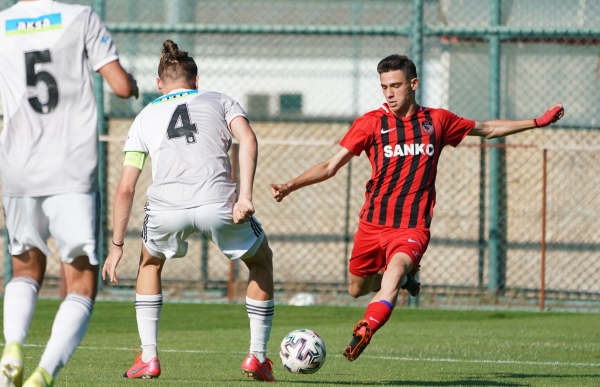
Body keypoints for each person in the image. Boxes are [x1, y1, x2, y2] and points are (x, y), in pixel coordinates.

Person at [270, 54, 564, 362]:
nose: (389, 93)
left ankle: (366, 327)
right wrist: (291, 185)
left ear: (413, 84)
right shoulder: (371, 123)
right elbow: (331, 166)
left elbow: (487, 128)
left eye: (395, 85)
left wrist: (537, 122)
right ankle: (406, 282)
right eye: (384, 86)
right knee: (357, 289)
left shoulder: (437, 121)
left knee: (394, 271)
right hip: (372, 225)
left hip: (412, 227)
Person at [102, 39, 276, 383]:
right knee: (261, 260)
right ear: (197, 81)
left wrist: (117, 245)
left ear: (158, 85)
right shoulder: (220, 99)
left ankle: (149, 358)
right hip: (219, 203)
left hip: (166, 209)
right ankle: (257, 356)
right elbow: (249, 140)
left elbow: (125, 188)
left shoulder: (145, 115)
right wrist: (245, 197)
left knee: (149, 263)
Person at [0, 0, 138, 386]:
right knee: (80, 283)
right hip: (71, 168)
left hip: (18, 166)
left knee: (24, 269)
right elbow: (121, 86)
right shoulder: (81, 17)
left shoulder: (2, 24)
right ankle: (44, 373)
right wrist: (134, 84)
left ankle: (11, 346)